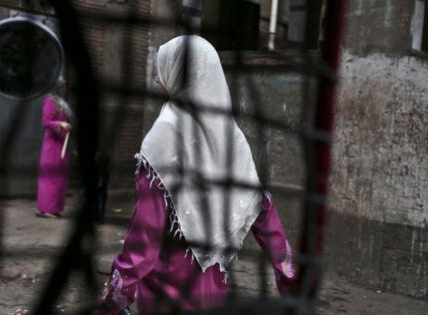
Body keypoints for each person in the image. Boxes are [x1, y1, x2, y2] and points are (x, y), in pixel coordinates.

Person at [98, 35, 297, 314]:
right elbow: (265, 216)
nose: (158, 80)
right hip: (213, 287)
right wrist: (290, 278)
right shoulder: (232, 138)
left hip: (167, 293)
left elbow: (143, 242)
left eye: (164, 70)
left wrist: (113, 301)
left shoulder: (163, 140)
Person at [36, 78, 72, 219]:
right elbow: (45, 122)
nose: (64, 89)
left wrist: (67, 126)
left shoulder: (62, 103)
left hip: (61, 142)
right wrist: (61, 124)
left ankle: (55, 207)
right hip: (52, 144)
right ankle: (46, 209)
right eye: (62, 87)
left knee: (60, 177)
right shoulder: (50, 101)